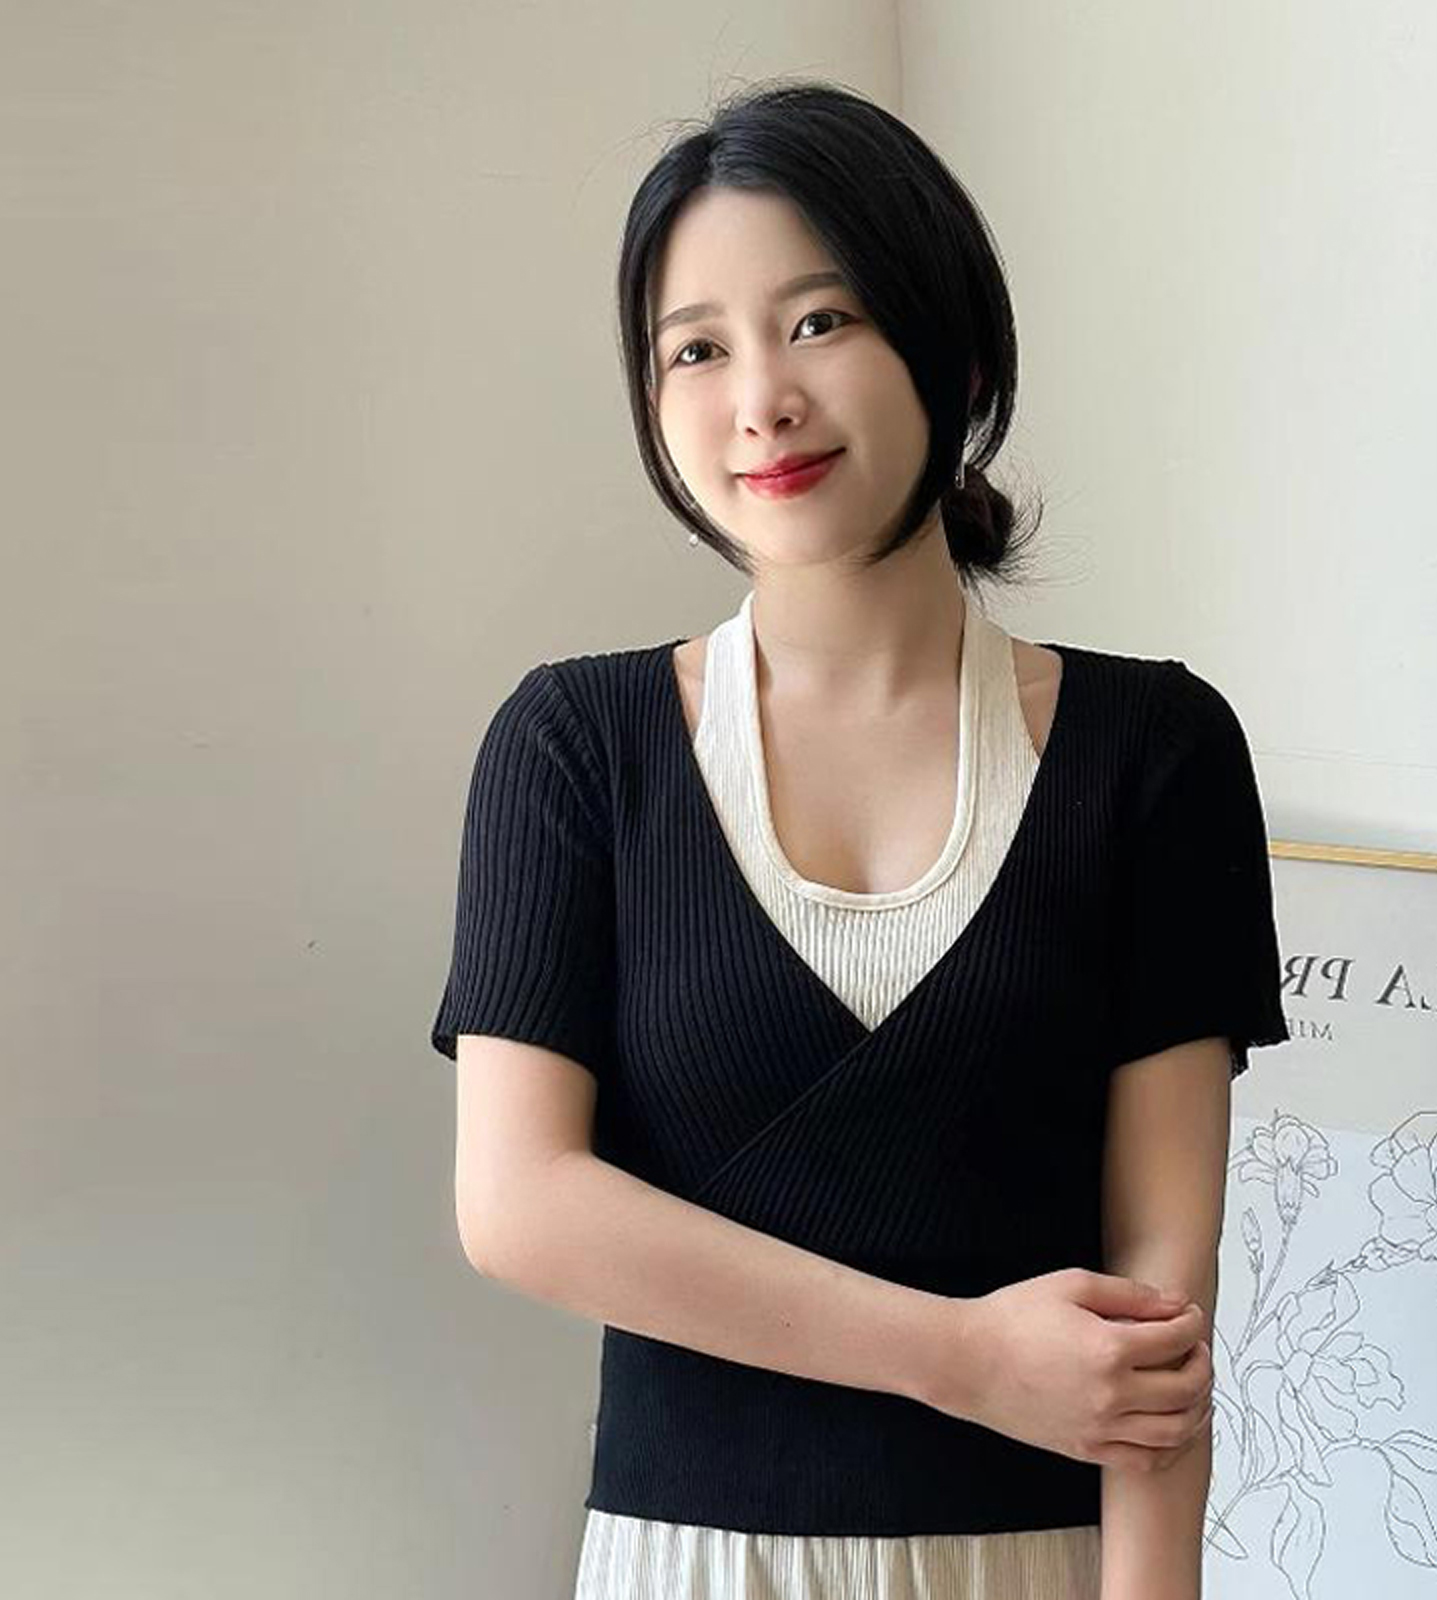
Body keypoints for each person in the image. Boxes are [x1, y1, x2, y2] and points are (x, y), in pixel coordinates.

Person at [431, 77, 1290, 1600]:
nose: (760, 399)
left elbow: (1163, 1297)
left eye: (820, 321)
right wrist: (963, 1356)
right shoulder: (574, 748)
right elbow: (519, 1206)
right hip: (692, 1569)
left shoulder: (1153, 753)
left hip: (1037, 1564)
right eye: (697, 349)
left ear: (956, 350)